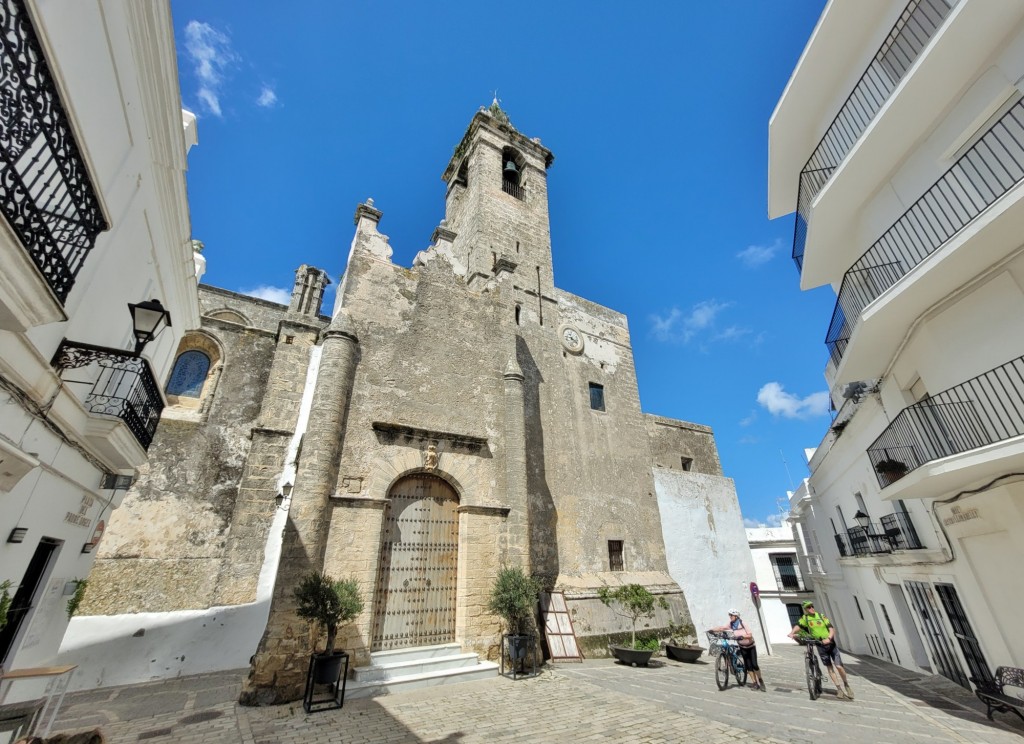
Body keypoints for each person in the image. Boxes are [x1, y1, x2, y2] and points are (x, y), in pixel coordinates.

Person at [788, 600, 854, 700]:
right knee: (829, 667)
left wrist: (829, 638)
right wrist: (792, 633)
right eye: (809, 607)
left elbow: (831, 628)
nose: (811, 608)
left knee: (839, 666)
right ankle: (839, 689)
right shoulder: (805, 618)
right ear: (805, 609)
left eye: (812, 606)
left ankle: (846, 685)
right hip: (820, 644)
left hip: (830, 644)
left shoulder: (821, 616)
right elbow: (798, 625)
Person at [713, 608, 765, 691]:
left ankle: (760, 680)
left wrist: (741, 636)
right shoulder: (731, 624)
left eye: (731, 615)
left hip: (751, 646)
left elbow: (750, 635)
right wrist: (711, 630)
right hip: (742, 647)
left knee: (754, 664)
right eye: (729, 615)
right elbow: (722, 628)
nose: (730, 617)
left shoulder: (742, 623)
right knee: (748, 666)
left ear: (736, 616)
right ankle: (754, 683)